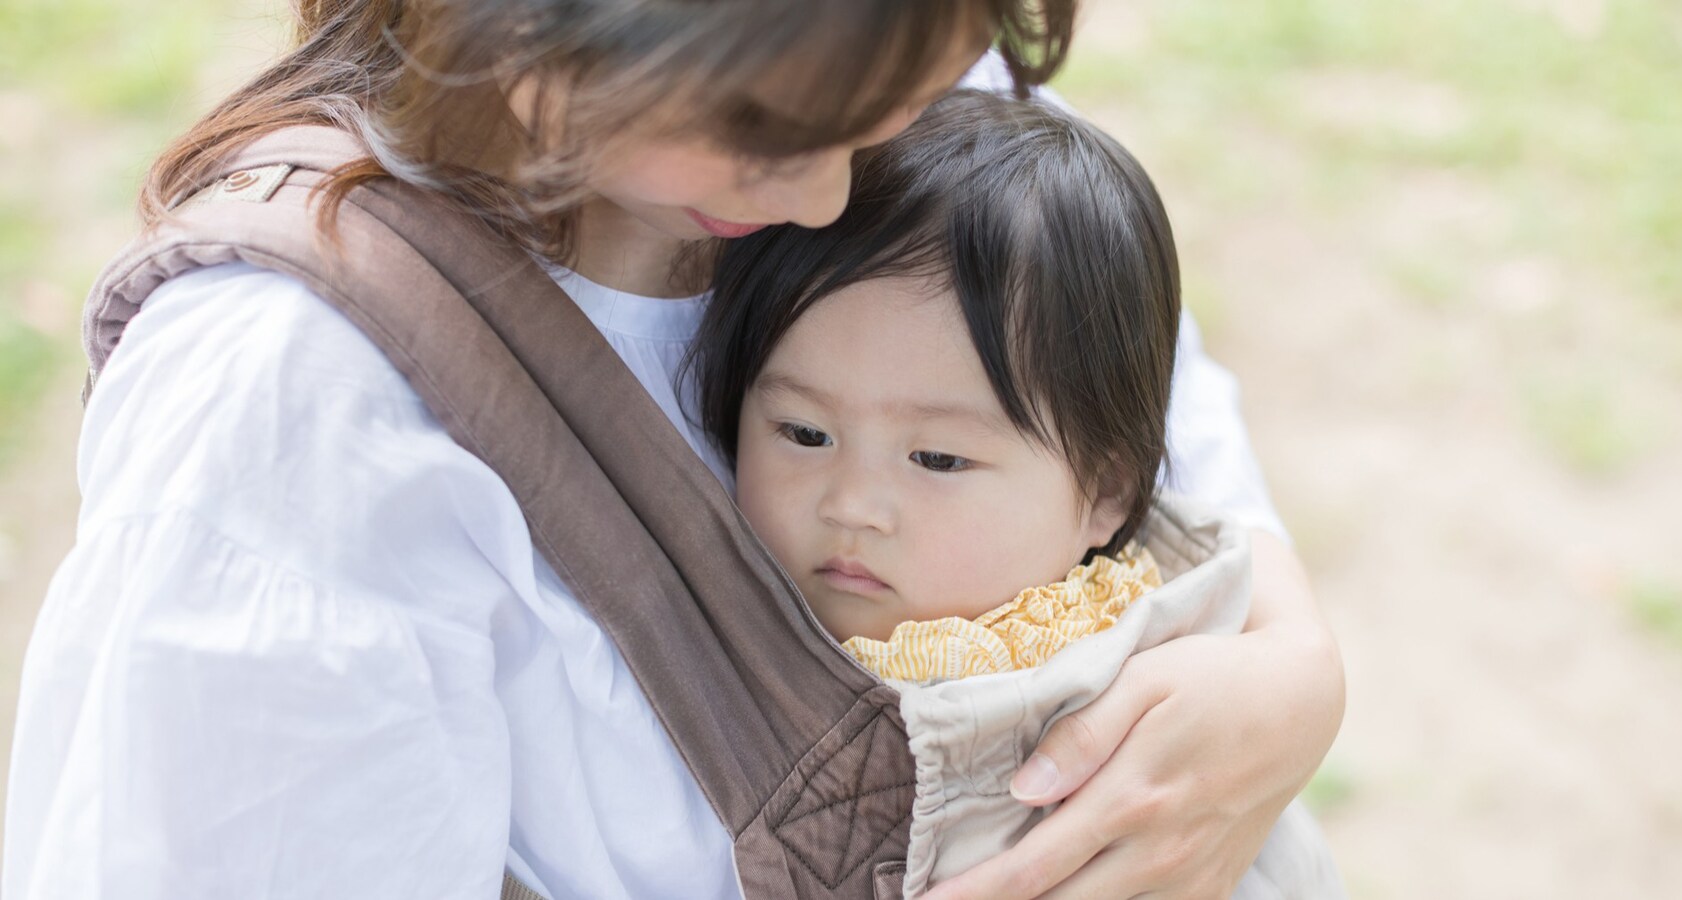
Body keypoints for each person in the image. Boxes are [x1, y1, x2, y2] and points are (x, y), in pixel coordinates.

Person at [4, 2, 1344, 899]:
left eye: (899, 99)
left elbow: (1129, 383)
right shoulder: (297, 416)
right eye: (764, 128)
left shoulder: (849, 47)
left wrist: (1287, 668)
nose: (829, 191)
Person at [690, 89, 1344, 897]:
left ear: (1105, 492)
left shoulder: (1152, 693)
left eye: (934, 458)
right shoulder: (709, 628)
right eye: (803, 434)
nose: (851, 503)